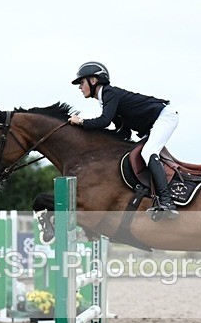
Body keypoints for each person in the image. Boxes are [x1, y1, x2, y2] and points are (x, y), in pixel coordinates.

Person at [68, 61, 179, 219]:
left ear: (93, 81)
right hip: (155, 123)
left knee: (148, 152)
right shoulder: (106, 98)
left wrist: (81, 122)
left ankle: (167, 203)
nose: (80, 87)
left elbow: (105, 121)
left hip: (165, 117)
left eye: (81, 82)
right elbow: (123, 131)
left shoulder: (109, 93)